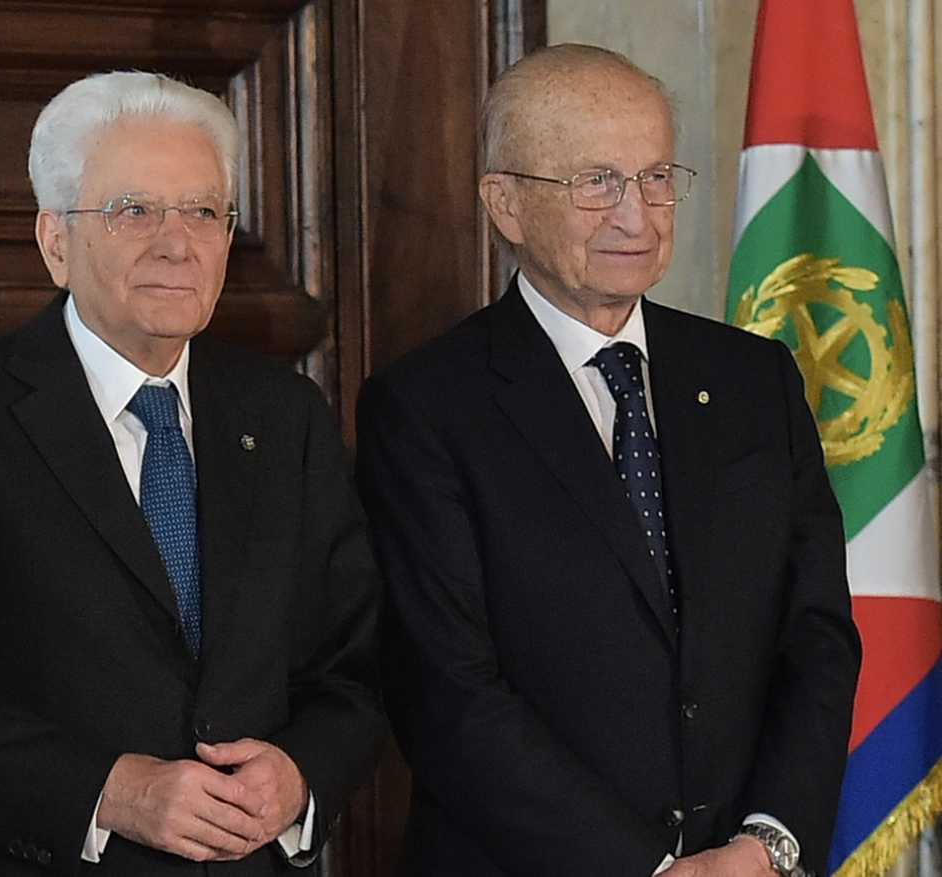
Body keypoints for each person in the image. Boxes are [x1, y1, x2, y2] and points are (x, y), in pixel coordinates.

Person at [0, 70, 386, 875]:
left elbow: (356, 667)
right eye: (134, 210)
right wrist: (104, 792)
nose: (177, 241)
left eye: (203, 211)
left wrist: (300, 775)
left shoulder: (284, 414)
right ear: (55, 239)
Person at [356, 45, 860, 877]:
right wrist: (650, 871)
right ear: (506, 204)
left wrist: (769, 841)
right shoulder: (425, 406)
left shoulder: (754, 379)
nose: (638, 215)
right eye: (597, 182)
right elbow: (450, 695)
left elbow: (818, 637)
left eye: (657, 177)